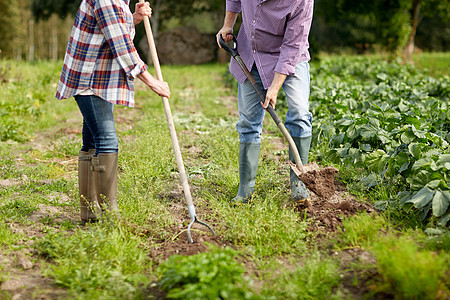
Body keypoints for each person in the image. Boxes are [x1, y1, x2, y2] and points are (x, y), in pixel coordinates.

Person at [56, 0, 170, 224]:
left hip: (101, 79)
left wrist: (134, 18)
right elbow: (121, 45)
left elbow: (115, 28)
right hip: (90, 77)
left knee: (91, 141)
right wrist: (151, 81)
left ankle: (90, 212)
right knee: (107, 139)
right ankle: (110, 215)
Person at [217, 0, 314, 204]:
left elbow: (292, 45)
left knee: (300, 114)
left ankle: (299, 186)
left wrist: (275, 86)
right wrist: (228, 24)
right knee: (248, 122)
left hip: (290, 57)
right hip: (250, 53)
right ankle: (245, 189)